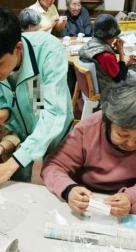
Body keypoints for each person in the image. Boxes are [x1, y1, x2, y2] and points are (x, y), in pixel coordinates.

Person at [0, 6, 74, 186]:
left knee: (57, 179)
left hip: (56, 129)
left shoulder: (49, 52)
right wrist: (4, 112)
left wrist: (12, 164)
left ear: (18, 48)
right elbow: (4, 99)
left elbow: (52, 114)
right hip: (20, 129)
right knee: (16, 184)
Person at [42, 79, 136, 218]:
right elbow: (54, 166)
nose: (131, 144)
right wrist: (69, 189)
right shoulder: (88, 130)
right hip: (86, 197)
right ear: (107, 122)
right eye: (122, 135)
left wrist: (130, 197)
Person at [78, 14, 136, 92]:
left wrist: (112, 49)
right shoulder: (106, 56)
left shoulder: (91, 43)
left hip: (99, 83)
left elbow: (107, 68)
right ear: (109, 35)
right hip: (110, 91)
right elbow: (120, 79)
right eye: (115, 36)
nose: (116, 38)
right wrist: (121, 53)